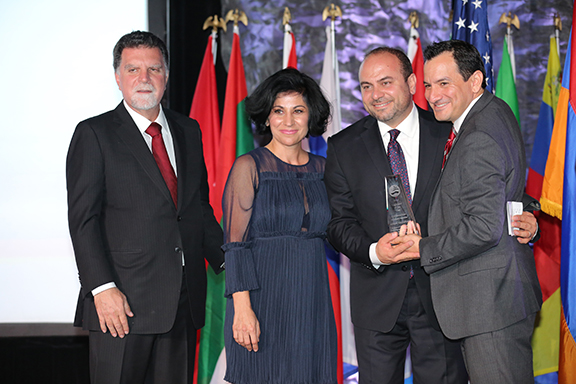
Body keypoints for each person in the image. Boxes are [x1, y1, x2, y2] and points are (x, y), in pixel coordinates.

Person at [323, 47, 538, 383]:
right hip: (377, 302)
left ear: (410, 83)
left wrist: (526, 213)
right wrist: (373, 252)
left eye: (385, 82)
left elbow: (494, 183)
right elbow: (338, 223)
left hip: (446, 298)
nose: (375, 94)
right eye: (366, 86)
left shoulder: (449, 127)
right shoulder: (342, 146)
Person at [66, 31, 224, 384]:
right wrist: (101, 289)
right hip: (122, 306)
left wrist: (232, 259)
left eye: (153, 69)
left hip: (182, 304)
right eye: (133, 69)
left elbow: (196, 208)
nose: (144, 79)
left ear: (166, 75)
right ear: (118, 77)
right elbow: (83, 221)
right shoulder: (94, 134)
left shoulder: (188, 130)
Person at [399, 40, 542, 383]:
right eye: (429, 85)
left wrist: (423, 248)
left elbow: (482, 227)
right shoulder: (494, 110)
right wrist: (527, 209)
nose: (433, 95)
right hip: (494, 301)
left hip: (489, 307)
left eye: (444, 83)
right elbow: (503, 187)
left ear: (475, 81)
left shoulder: (478, 133)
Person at [221, 68, 337, 384]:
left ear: (310, 116)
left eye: (298, 111)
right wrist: (242, 310)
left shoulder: (325, 170)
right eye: (279, 111)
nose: (288, 121)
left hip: (311, 300)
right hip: (258, 301)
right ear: (268, 117)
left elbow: (344, 229)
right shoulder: (248, 167)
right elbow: (234, 246)